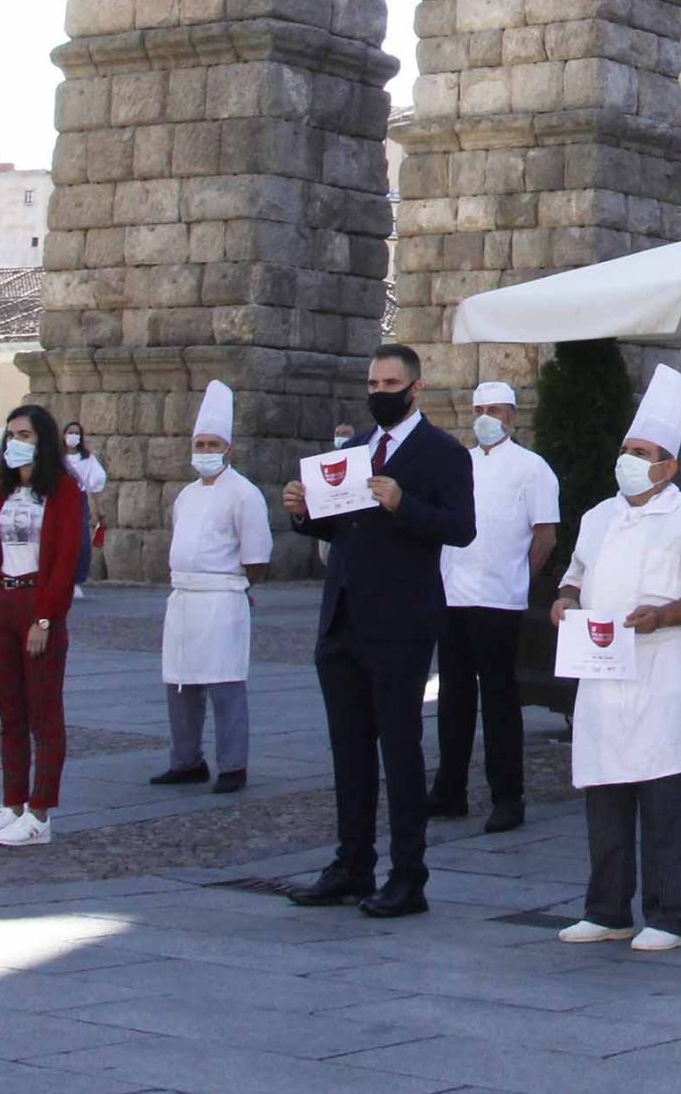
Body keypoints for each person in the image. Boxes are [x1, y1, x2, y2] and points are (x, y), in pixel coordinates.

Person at [282, 343, 476, 918]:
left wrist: (403, 504)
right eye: (372, 383)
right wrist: (300, 510)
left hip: (401, 623)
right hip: (343, 618)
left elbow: (461, 529)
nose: (379, 393)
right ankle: (352, 863)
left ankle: (408, 875)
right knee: (348, 750)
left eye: (390, 384)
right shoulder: (352, 449)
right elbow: (334, 525)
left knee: (400, 748)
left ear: (415, 389)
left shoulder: (443, 454)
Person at [552, 364, 681, 952]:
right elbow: (573, 577)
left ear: (667, 466)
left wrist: (662, 615)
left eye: (641, 451)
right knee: (604, 791)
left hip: (659, 670)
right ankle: (606, 908)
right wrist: (564, 600)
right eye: (625, 449)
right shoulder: (598, 517)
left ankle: (668, 914)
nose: (627, 458)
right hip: (601, 672)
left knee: (660, 799)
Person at [431, 380, 560, 834]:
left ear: (513, 415)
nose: (488, 417)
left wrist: (518, 577)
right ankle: (449, 790)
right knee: (454, 697)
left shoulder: (532, 468)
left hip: (500, 598)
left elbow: (545, 534)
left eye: (497, 410)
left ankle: (508, 795)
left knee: (501, 698)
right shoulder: (456, 463)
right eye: (481, 408)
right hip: (453, 595)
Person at [0, 403, 86, 844]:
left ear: (43, 442)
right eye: (11, 435)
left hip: (37, 603)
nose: (16, 443)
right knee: (10, 714)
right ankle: (12, 802)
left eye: (26, 436)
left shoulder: (63, 492)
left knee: (44, 713)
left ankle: (40, 812)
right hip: (2, 601)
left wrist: (46, 617)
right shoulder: (1, 492)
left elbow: (64, 560)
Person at [150, 381, 271, 795]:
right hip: (184, 597)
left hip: (221, 596)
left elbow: (257, 556)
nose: (204, 451)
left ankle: (233, 764)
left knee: (224, 682)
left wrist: (235, 585)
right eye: (199, 444)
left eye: (211, 444)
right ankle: (186, 760)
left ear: (228, 449)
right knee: (180, 682)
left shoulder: (244, 494)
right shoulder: (185, 495)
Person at [63, 421, 107, 597]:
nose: (73, 435)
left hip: (77, 501)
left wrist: (99, 511)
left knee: (81, 542)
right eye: (70, 432)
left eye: (76, 433)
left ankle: (75, 580)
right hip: (58, 500)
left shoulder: (86, 458)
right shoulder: (56, 458)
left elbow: (95, 486)